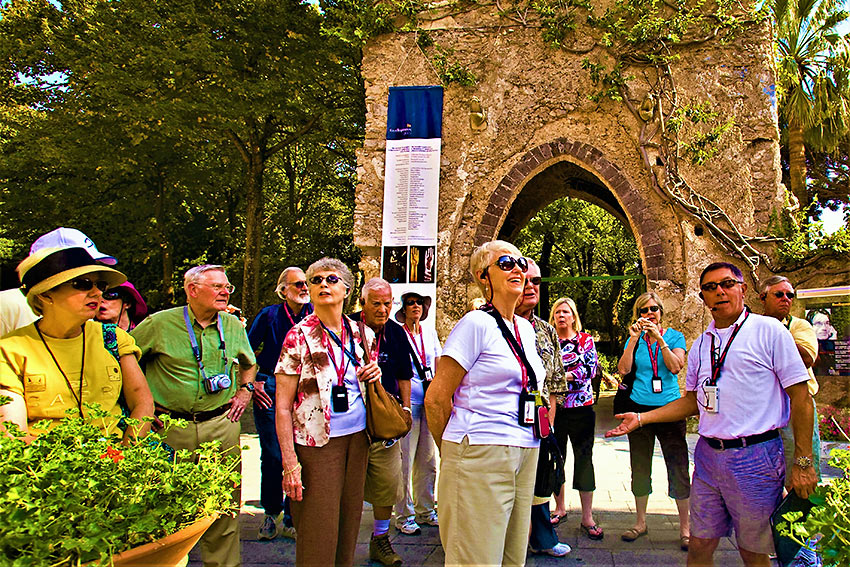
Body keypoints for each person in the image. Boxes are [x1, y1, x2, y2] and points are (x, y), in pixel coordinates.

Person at [606, 262, 817, 567]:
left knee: (753, 550)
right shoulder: (704, 343)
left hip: (755, 457)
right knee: (700, 545)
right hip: (707, 456)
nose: (719, 291)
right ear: (703, 297)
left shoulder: (768, 331)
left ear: (743, 289)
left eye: (727, 284)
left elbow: (801, 398)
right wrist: (640, 419)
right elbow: (692, 402)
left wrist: (803, 461)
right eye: (710, 287)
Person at [425, 240, 544, 567]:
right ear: (483, 276)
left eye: (520, 261)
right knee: (474, 560)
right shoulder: (474, 324)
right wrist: (455, 454)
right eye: (506, 262)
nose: (518, 268)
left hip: (525, 448)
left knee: (512, 558)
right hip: (481, 448)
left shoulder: (525, 329)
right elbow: (436, 399)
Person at [131, 264, 258, 567]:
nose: (225, 292)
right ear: (192, 290)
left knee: (224, 507)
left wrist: (245, 390)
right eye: (217, 286)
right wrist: (143, 406)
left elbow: (249, 363)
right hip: (171, 429)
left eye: (227, 287)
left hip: (222, 424)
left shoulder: (233, 326)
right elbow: (125, 362)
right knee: (167, 506)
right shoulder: (158, 324)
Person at [275, 258, 382, 567]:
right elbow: (282, 406)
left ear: (347, 289)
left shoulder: (362, 333)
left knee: (349, 525)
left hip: (357, 438)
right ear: (308, 289)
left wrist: (373, 372)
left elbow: (366, 380)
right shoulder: (298, 336)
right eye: (316, 280)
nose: (323, 284)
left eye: (332, 279)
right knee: (317, 530)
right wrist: (289, 463)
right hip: (316, 444)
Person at [0, 244, 154, 440]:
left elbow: (143, 402)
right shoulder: (9, 351)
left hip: (117, 461)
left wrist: (125, 454)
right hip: (48, 465)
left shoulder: (113, 338)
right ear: (46, 295)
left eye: (101, 285)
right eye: (83, 284)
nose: (97, 293)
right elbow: (13, 433)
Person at [616, 292, 690, 549]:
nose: (650, 313)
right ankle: (640, 522)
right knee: (639, 464)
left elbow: (675, 367)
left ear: (661, 312)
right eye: (644, 310)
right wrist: (634, 339)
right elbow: (623, 370)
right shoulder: (634, 339)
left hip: (669, 409)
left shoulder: (674, 336)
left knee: (678, 464)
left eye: (654, 309)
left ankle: (685, 528)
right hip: (638, 409)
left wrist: (660, 339)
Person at [348, 278, 413, 566]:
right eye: (376, 303)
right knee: (347, 484)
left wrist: (408, 410)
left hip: (384, 420)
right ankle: (342, 541)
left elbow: (403, 375)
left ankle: (381, 538)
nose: (383, 309)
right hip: (352, 419)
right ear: (362, 302)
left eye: (388, 303)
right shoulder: (346, 328)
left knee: (387, 482)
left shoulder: (396, 333)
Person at [246, 267, 312, 541]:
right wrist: (252, 383)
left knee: (301, 453)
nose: (304, 288)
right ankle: (271, 514)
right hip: (271, 387)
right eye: (298, 284)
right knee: (273, 453)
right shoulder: (269, 315)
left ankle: (293, 515)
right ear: (283, 289)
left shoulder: (315, 316)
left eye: (306, 283)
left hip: (305, 390)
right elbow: (246, 351)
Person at [515, 260, 571, 558]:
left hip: (538, 422)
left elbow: (556, 383)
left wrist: (547, 424)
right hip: (502, 422)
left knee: (540, 481)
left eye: (536, 281)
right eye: (524, 280)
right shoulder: (488, 322)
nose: (530, 286)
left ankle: (542, 538)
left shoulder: (546, 331)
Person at [548, 296, 603, 540]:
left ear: (573, 316)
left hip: (581, 408)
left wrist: (560, 378)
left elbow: (589, 370)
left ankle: (587, 516)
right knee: (555, 458)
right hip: (554, 408)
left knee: (584, 458)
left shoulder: (585, 340)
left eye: (566, 312)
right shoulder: (548, 343)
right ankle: (559, 507)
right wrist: (562, 377)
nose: (561, 316)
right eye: (557, 312)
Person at [760, 275, 821, 480]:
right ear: (763, 297)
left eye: (790, 295)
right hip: (764, 409)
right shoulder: (753, 328)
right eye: (779, 294)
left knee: (801, 472)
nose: (785, 298)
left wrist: (777, 332)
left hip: (795, 407)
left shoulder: (800, 326)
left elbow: (806, 359)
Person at [393, 290, 440, 540]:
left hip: (429, 401)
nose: (415, 307)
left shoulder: (430, 333)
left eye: (419, 303)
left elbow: (439, 362)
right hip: (408, 402)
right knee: (404, 460)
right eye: (410, 303)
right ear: (404, 308)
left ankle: (426, 508)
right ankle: (404, 514)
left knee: (428, 460)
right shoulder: (398, 334)